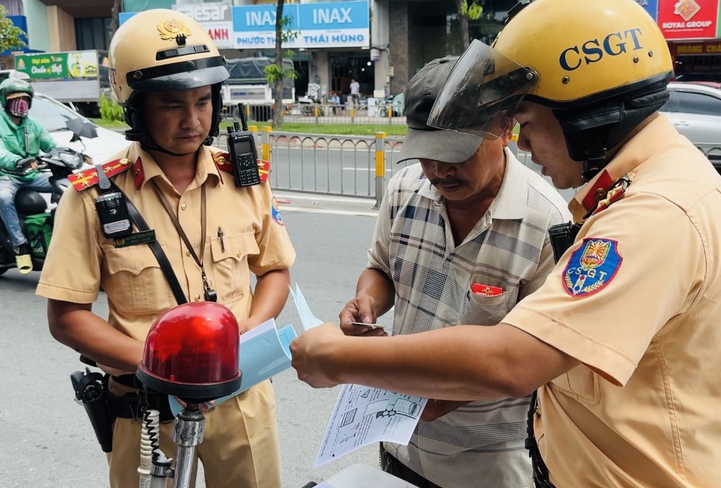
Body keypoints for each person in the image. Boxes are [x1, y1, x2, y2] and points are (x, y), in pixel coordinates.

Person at [290, 0, 721, 486]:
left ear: (585, 114)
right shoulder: (636, 192)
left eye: (529, 122)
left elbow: (515, 358)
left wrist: (338, 357)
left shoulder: (656, 213)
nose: (522, 143)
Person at [36, 9, 295, 488]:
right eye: (172, 105)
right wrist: (157, 364)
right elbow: (67, 316)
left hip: (240, 398)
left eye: (203, 101)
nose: (193, 120)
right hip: (145, 409)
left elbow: (275, 270)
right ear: (136, 108)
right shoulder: (94, 197)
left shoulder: (244, 180)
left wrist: (246, 338)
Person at [340, 56, 568, 488]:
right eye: (428, 154)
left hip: (490, 463)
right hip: (400, 442)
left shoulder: (546, 224)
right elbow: (381, 269)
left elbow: (537, 362)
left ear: (505, 129)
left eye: (456, 154)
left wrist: (444, 396)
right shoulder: (405, 190)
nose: (440, 171)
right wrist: (368, 300)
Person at [0, 77, 56, 274]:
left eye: (24, 100)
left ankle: (62, 232)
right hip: (7, 176)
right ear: (5, 102)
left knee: (71, 185)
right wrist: (18, 161)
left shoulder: (33, 125)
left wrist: (72, 154)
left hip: (32, 175)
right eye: (15, 100)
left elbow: (51, 145)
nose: (20, 104)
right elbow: (2, 154)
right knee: (4, 197)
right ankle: (20, 244)